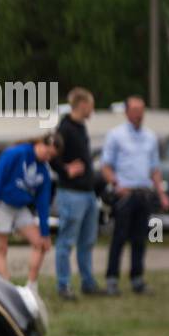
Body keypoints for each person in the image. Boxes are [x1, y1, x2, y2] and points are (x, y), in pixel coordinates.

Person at [101, 96, 169, 295]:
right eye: (135, 110)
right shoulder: (116, 135)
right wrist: (116, 184)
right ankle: (112, 279)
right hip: (125, 195)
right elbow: (106, 166)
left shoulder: (150, 137)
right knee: (119, 238)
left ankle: (137, 279)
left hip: (144, 194)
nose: (139, 114)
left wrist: (161, 193)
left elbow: (154, 169)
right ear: (127, 112)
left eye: (142, 110)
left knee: (140, 239)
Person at [0, 133, 62, 293]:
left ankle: (31, 286)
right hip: (0, 203)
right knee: (1, 249)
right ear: (40, 143)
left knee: (40, 244)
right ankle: (6, 290)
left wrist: (45, 233)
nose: (48, 158)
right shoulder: (16, 153)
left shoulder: (43, 172)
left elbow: (42, 203)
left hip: (19, 208)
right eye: (47, 153)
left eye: (52, 156)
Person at [51, 88, 100, 300]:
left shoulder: (81, 128)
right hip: (71, 194)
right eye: (91, 104)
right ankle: (63, 285)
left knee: (87, 241)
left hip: (88, 194)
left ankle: (88, 282)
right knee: (66, 241)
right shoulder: (65, 128)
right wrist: (65, 170)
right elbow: (51, 156)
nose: (93, 109)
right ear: (82, 105)